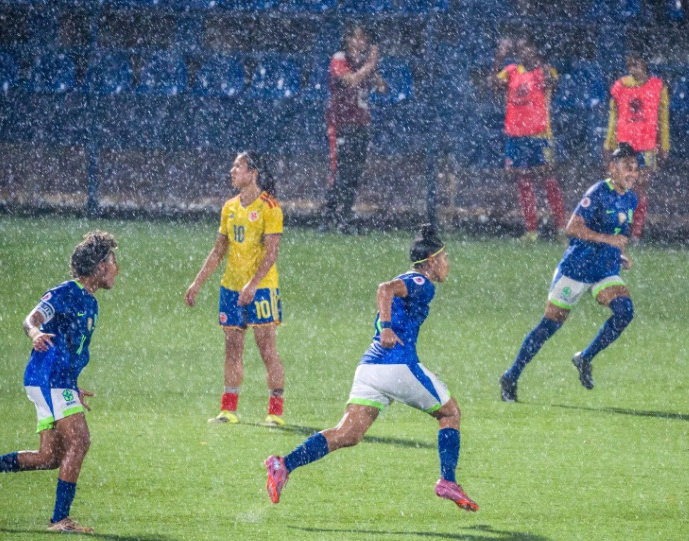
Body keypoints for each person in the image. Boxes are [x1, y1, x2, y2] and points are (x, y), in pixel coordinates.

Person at [264, 224, 478, 512]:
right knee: (451, 413)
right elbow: (384, 288)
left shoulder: (412, 280)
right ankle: (447, 481)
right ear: (431, 261)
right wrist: (388, 329)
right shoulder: (420, 282)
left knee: (347, 434)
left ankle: (283, 464)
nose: (447, 264)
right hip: (396, 365)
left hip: (371, 367)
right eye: (444, 258)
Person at [0, 230, 119, 533]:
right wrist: (34, 334)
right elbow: (30, 320)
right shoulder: (64, 293)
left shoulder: (91, 303)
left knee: (50, 457)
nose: (116, 268)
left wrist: (72, 386)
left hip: (58, 381)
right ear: (99, 266)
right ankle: (60, 520)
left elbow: (71, 350)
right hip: (48, 380)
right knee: (80, 441)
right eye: (112, 261)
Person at [500, 143, 639, 402]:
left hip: (604, 269)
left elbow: (617, 236)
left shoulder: (632, 199)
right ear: (612, 168)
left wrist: (618, 254)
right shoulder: (598, 192)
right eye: (626, 166)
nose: (633, 172)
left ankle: (585, 357)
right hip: (577, 267)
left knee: (625, 312)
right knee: (548, 326)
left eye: (635, 168)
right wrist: (607, 240)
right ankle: (511, 376)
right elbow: (572, 228)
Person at [185, 151, 286, 426]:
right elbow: (219, 251)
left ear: (253, 173)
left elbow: (271, 254)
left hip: (262, 289)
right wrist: (197, 282)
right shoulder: (229, 207)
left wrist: (252, 285)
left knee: (267, 349)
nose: (232, 171)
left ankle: (275, 413)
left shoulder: (270, 207)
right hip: (230, 288)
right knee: (232, 349)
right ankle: (228, 410)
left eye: (238, 167)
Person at [492, 36, 567, 241]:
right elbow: (493, 85)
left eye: (528, 48)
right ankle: (531, 231)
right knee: (523, 181)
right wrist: (499, 57)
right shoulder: (512, 71)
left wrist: (540, 63)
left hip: (540, 133)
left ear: (535, 51)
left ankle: (561, 228)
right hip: (516, 134)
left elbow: (552, 82)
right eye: (521, 49)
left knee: (548, 178)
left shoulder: (545, 71)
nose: (524, 52)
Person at [320, 23, 387, 234]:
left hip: (361, 122)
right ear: (348, 39)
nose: (360, 42)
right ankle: (328, 217)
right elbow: (348, 81)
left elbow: (382, 88)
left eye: (363, 38)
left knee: (354, 172)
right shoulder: (340, 58)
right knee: (340, 170)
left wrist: (373, 71)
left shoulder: (364, 62)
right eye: (356, 37)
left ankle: (345, 217)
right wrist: (369, 65)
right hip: (340, 123)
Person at [603, 53, 670, 241]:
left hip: (647, 146)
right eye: (630, 66)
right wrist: (608, 143)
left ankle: (636, 233)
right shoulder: (620, 86)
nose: (633, 70)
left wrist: (664, 145)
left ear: (646, 65)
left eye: (636, 65)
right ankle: (619, 229)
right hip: (624, 145)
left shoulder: (657, 87)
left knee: (640, 188)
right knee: (619, 187)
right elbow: (613, 117)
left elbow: (663, 119)